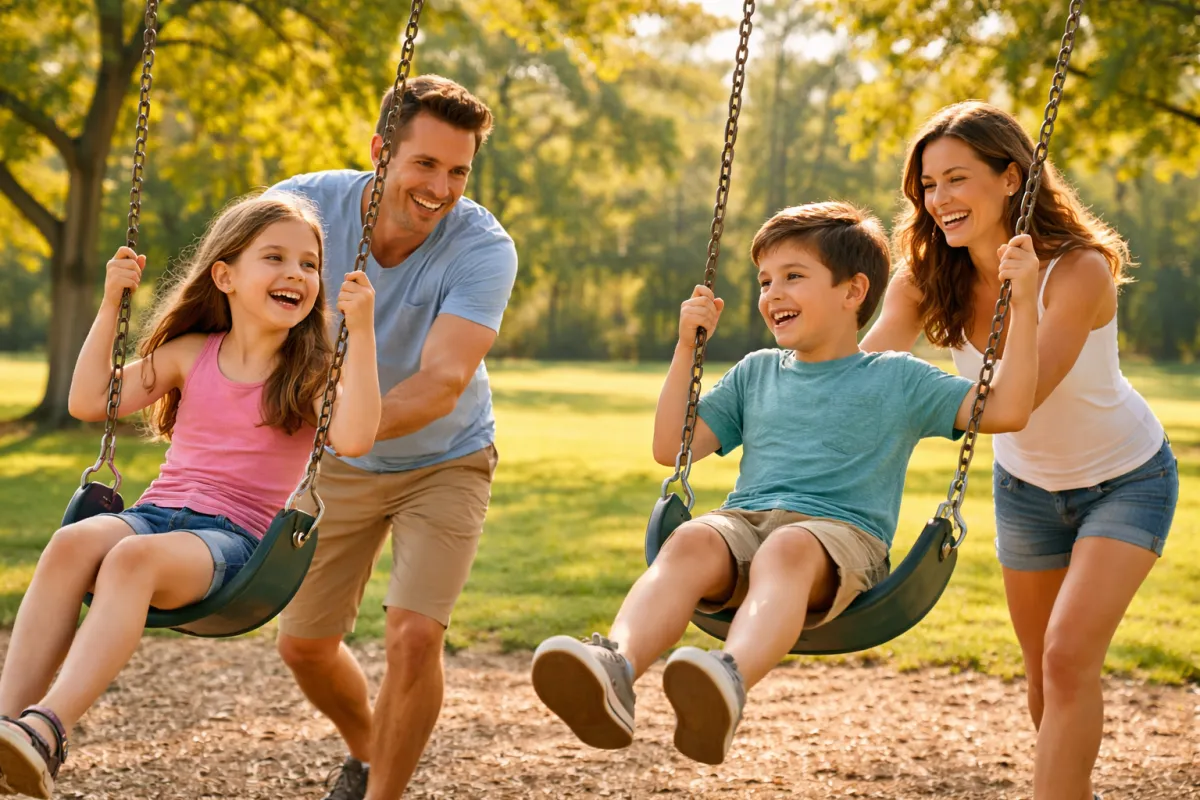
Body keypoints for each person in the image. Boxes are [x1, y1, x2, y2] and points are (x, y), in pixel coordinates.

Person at [531, 200, 1039, 766]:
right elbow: (671, 445)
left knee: (788, 548)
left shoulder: (898, 378)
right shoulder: (757, 371)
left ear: (853, 292)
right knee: (693, 540)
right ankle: (615, 670)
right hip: (747, 523)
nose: (773, 293)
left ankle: (726, 681)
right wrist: (685, 346)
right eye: (765, 280)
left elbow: (1010, 408)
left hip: (839, 539)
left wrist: (1022, 307)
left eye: (794, 277)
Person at [0, 192, 380, 799]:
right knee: (73, 543)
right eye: (275, 257)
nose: (296, 274)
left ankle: (48, 730)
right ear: (224, 275)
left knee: (130, 560)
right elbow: (87, 401)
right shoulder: (188, 354)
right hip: (155, 515)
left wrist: (360, 337)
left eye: (309, 264)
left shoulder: (308, 374)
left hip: (233, 544)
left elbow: (357, 438)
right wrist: (110, 303)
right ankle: (9, 728)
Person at [861, 101, 1178, 800]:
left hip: (1126, 479)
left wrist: (1024, 291)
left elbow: (1019, 401)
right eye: (928, 186)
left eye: (957, 179)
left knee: (1068, 661)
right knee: (1044, 680)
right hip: (1027, 492)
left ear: (1011, 179)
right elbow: (866, 370)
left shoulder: (1079, 270)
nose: (940, 200)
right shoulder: (924, 278)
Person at [266, 75, 517, 800]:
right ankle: (370, 749)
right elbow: (237, 297)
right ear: (380, 151)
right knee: (304, 645)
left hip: (446, 455)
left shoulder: (481, 248)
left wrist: (340, 425)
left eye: (459, 170)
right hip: (338, 458)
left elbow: (442, 381)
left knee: (415, 635)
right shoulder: (302, 209)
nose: (442, 187)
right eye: (426, 164)